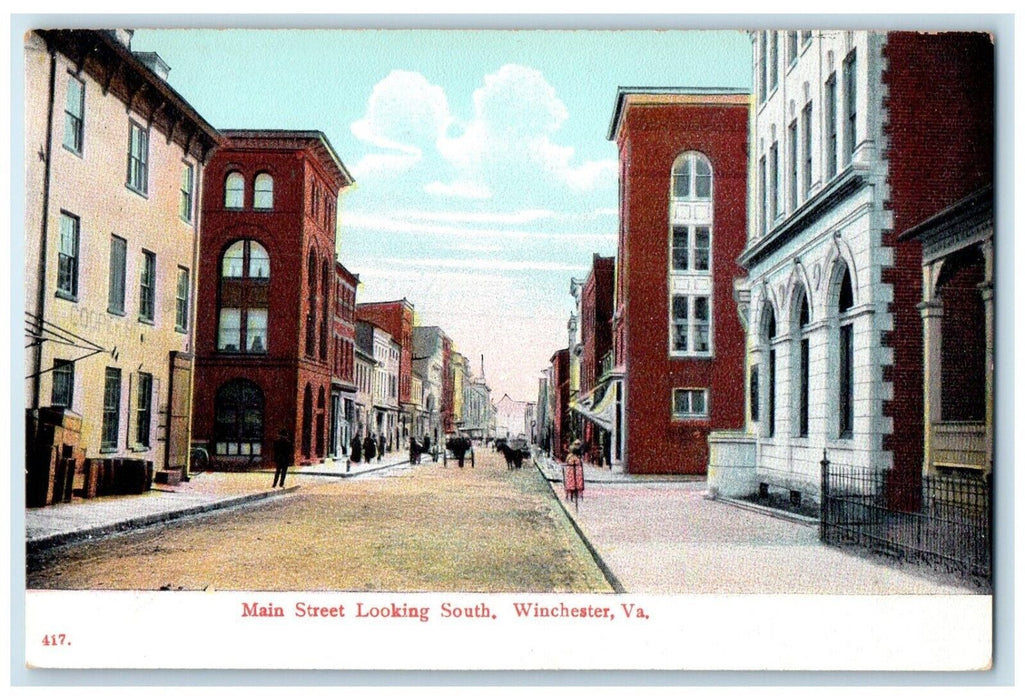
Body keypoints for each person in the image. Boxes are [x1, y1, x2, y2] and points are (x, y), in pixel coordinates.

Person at [564, 439, 585, 510]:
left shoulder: (571, 456)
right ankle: (573, 495)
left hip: (573, 471)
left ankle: (572, 495)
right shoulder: (574, 457)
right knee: (573, 482)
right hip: (574, 471)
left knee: (573, 482)